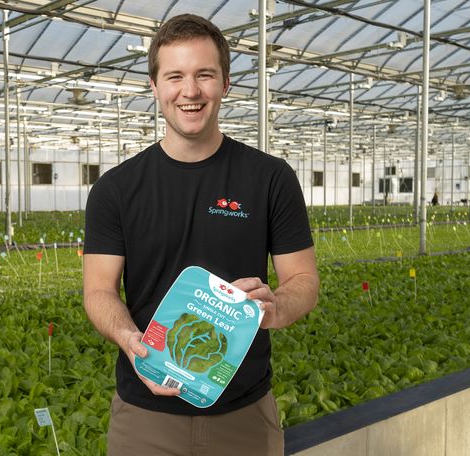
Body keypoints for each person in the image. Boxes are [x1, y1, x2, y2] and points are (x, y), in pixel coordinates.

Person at [83, 13, 319, 456]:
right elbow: (98, 291)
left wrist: (275, 308)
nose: (190, 91)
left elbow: (304, 281)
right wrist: (131, 342)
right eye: (175, 76)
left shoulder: (269, 178)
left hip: (244, 414)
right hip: (145, 416)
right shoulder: (116, 189)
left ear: (225, 83)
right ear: (155, 87)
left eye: (204, 75)